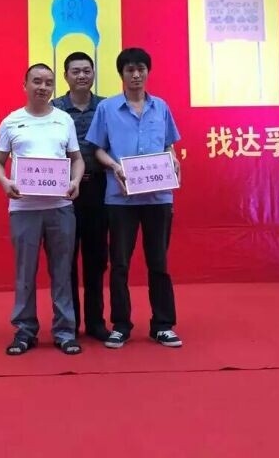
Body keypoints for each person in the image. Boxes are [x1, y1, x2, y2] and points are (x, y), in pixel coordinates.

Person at [86, 47, 183, 348]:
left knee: (159, 262)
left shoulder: (161, 107)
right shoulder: (107, 109)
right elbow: (97, 148)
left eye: (141, 69)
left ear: (148, 72)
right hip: (121, 198)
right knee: (120, 264)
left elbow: (168, 144)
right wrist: (114, 166)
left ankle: (162, 325)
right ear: (121, 74)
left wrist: (173, 158)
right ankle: (121, 325)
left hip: (158, 197)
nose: (136, 74)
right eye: (130, 70)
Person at [0, 63, 86, 355]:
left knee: (62, 271)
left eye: (48, 82)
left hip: (60, 207)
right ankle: (24, 331)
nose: (43, 87)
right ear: (25, 85)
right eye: (37, 81)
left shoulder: (63, 120)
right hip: (24, 208)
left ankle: (65, 331)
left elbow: (77, 159)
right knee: (25, 272)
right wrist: (5, 182)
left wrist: (75, 181)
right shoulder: (11, 121)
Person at [51, 51, 110, 342]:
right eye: (75, 71)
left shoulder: (106, 107)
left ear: (93, 74)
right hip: (64, 191)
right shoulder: (54, 109)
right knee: (66, 258)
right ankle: (69, 323)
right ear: (66, 76)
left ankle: (96, 321)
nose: (82, 76)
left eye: (87, 70)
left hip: (99, 189)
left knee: (97, 258)